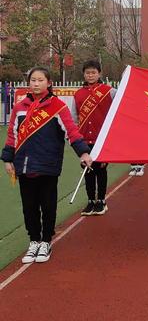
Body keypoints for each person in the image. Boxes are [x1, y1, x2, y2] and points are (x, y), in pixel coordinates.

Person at [1, 67, 92, 264]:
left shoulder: (57, 107)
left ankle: (45, 241)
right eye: (33, 80)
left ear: (48, 83)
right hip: (24, 165)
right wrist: (8, 159)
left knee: (48, 205)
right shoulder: (19, 108)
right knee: (29, 207)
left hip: (48, 164)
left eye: (40, 80)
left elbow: (71, 131)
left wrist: (83, 152)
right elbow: (12, 136)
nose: (36, 83)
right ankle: (34, 240)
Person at [72, 60, 116, 216]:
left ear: (99, 74)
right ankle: (91, 201)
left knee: (101, 170)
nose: (90, 75)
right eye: (87, 72)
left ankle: (102, 201)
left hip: (101, 139)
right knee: (88, 170)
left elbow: (118, 111)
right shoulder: (78, 94)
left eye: (93, 72)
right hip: (84, 140)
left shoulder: (109, 91)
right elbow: (74, 118)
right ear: (83, 74)